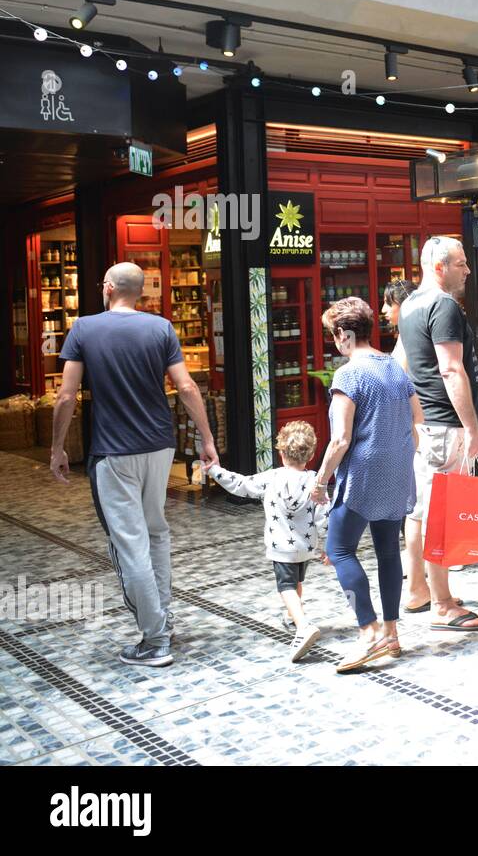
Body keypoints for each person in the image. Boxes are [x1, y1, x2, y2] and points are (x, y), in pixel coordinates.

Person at [50, 262, 219, 668]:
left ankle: (155, 639)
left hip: (114, 452)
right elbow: (187, 386)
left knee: (130, 544)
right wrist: (207, 439)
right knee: (156, 532)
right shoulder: (160, 328)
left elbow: (66, 395)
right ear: (139, 292)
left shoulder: (84, 328)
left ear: (107, 288)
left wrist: (57, 448)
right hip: (159, 446)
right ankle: (163, 618)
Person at [311, 297, 422, 673]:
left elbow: (341, 439)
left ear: (344, 334)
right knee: (388, 551)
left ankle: (368, 630)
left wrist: (321, 480)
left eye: (333, 335)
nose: (334, 343)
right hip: (396, 469)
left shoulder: (350, 373)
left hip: (362, 473)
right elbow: (416, 421)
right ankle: (391, 632)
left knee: (339, 548)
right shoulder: (392, 365)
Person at [399, 237, 478, 631]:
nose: (468, 271)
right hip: (446, 426)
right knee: (443, 515)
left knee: (420, 512)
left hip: (426, 426)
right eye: (461, 264)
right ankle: (442, 604)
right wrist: (471, 427)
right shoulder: (444, 306)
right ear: (439, 267)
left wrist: (412, 419)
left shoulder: (409, 305)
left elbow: (400, 367)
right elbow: (451, 369)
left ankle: (418, 590)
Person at [207, 421, 328, 662]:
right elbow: (324, 515)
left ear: (281, 452)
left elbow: (240, 484)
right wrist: (329, 546)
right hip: (305, 548)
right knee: (297, 581)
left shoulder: (272, 477)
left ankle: (303, 626)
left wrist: (213, 470)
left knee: (286, 586)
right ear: (312, 454)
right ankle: (293, 616)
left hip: (281, 547)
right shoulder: (316, 481)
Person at [383, 279, 418, 372]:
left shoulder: (411, 333)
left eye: (389, 304)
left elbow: (400, 372)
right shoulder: (407, 331)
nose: (383, 310)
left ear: (404, 304)